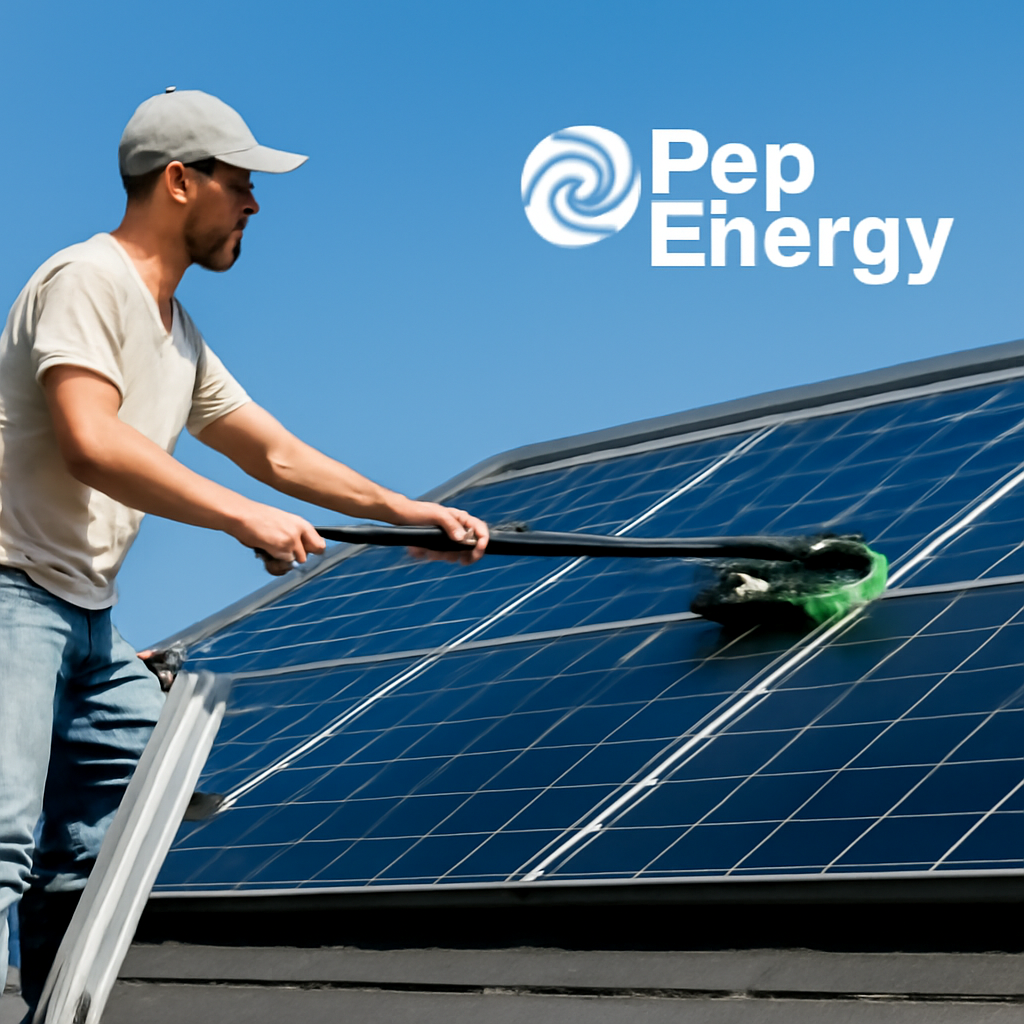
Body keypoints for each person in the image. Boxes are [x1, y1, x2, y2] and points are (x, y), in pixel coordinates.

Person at [0, 88, 489, 1016]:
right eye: (241, 182)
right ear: (180, 181)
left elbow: (277, 453)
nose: (255, 205)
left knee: (114, 824)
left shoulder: (179, 336)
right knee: (1, 837)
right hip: (11, 593)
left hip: (88, 618)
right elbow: (90, 441)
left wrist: (403, 511)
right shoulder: (85, 280)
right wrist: (241, 519)